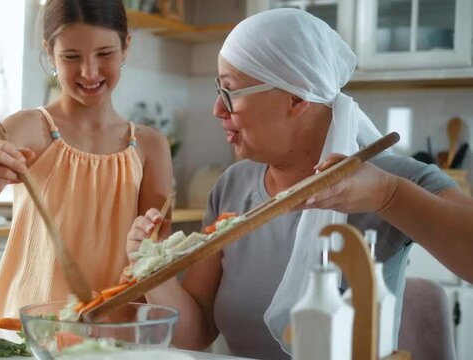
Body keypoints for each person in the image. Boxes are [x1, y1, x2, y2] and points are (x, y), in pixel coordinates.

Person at [126, 8, 473, 360]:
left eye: (229, 90)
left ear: (295, 97)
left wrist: (390, 196)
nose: (217, 108)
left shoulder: (390, 181)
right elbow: (194, 333)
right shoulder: (231, 187)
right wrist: (153, 270)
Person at [0, 0, 173, 324]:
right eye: (71, 57)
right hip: (29, 329)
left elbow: (155, 255)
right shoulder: (26, 128)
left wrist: (154, 238)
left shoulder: (150, 146)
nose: (89, 72)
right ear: (49, 52)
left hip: (115, 333)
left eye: (104, 54)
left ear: (126, 46)